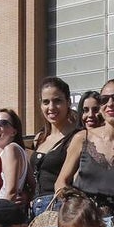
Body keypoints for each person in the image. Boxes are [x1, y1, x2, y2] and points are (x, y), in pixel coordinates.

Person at [56, 80, 114, 215]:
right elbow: (61, 182)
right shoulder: (83, 138)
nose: (110, 104)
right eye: (104, 100)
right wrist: (73, 206)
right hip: (83, 218)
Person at [30, 77, 81, 218]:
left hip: (61, 207)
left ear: (68, 102)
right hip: (35, 210)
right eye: (46, 102)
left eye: (57, 101)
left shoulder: (77, 136)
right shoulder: (40, 138)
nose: (51, 107)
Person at [0, 109, 30, 203]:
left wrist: (2, 210)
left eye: (3, 123)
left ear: (14, 132)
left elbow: (11, 191)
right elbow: (33, 185)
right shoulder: (16, 152)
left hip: (4, 208)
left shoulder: (11, 149)